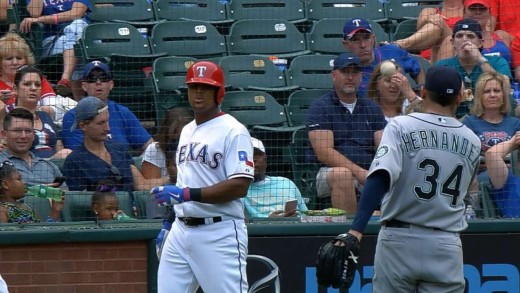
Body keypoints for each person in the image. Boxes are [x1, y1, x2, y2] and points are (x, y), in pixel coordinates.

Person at [344, 66, 480, 291]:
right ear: (459, 96)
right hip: (446, 243)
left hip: (399, 239)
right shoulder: (472, 140)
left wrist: (356, 229)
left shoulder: (401, 125)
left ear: (424, 91)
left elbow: (379, 177)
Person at [150, 61, 253, 292]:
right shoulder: (187, 130)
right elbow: (186, 181)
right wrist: (169, 221)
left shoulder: (234, 131)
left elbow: (239, 186)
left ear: (219, 92)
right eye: (194, 86)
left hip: (218, 232)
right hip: (180, 231)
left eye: (206, 87)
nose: (198, 92)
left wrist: (186, 195)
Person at [307, 52, 387, 215]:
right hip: (329, 172)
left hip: (369, 171)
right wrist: (360, 173)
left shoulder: (372, 108)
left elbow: (384, 146)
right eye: (345, 72)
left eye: (355, 72)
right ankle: (349, 233)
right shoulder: (320, 108)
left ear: (361, 76)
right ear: (334, 75)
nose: (350, 77)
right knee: (342, 175)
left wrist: (380, 170)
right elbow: (324, 153)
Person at [63, 96, 168, 194]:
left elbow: (141, 185)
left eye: (107, 121)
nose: (107, 128)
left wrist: (174, 178)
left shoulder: (119, 148)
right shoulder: (74, 162)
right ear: (83, 126)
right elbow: (81, 204)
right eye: (101, 123)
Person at [61, 60, 153, 154]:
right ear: (84, 86)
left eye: (103, 78)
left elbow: (149, 145)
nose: (98, 82)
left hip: (124, 165)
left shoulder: (123, 112)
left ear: (111, 84)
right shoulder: (73, 116)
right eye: (92, 78)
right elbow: (81, 155)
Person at [435, 18, 512, 118]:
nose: (464, 40)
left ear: (480, 42)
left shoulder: (497, 61)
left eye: (470, 36)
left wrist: (480, 59)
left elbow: (506, 88)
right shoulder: (442, 66)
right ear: (452, 42)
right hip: (453, 119)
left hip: (489, 119)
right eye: (459, 36)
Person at [19, 0, 91, 99]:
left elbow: (76, 14)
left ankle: (65, 79)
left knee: (77, 27)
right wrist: (38, 18)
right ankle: (79, 100)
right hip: (53, 42)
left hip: (81, 37)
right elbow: (34, 13)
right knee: (76, 46)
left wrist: (41, 19)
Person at [342, 17, 424, 98]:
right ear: (346, 45)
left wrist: (422, 90)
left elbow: (417, 68)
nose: (363, 45)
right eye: (356, 40)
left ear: (373, 39)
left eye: (366, 38)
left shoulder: (391, 51)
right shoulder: (347, 73)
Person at [462, 72, 520, 181]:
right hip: (480, 182)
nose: (492, 95)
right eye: (487, 91)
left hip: (511, 180)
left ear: (503, 95)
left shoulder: (516, 124)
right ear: (480, 96)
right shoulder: (469, 123)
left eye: (497, 91)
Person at [0, 32, 66, 121]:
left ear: (26, 60)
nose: (15, 62)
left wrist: (33, 108)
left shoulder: (37, 79)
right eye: (9, 59)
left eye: (19, 58)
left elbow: (55, 109)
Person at [11, 65, 71, 159]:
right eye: (27, 84)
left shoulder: (45, 116)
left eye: (37, 85)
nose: (33, 88)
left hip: (54, 168)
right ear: (15, 89)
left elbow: (59, 147)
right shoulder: (9, 117)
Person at [244, 137, 308, 218]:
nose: (253, 159)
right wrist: (270, 222)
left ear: (265, 160)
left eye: (257, 154)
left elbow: (305, 215)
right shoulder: (236, 190)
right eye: (247, 155)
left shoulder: (286, 183)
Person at [0, 108, 63, 186]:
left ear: (33, 135)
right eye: (17, 131)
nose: (23, 136)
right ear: (4, 135)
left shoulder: (49, 166)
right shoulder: (1, 163)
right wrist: (39, 192)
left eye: (28, 131)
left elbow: (66, 196)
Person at [437, 0, 513, 65]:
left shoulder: (502, 36)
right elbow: (442, 73)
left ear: (490, 13)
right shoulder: (451, 41)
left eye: (482, 8)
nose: (477, 12)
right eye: (472, 8)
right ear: (464, 12)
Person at [394, 0, 465, 64]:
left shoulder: (470, 10)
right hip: (428, 60)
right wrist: (428, 19)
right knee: (437, 23)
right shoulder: (429, 11)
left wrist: (439, 22)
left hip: (457, 55)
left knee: (448, 37)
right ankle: (400, 45)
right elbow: (420, 28)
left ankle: (399, 45)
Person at [142, 107, 193, 181]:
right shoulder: (154, 150)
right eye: (175, 139)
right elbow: (148, 187)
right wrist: (172, 177)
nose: (179, 143)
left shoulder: (198, 150)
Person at [485, 131, 520, 217]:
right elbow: (492, 154)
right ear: (519, 163)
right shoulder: (510, 183)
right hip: (513, 229)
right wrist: (514, 141)